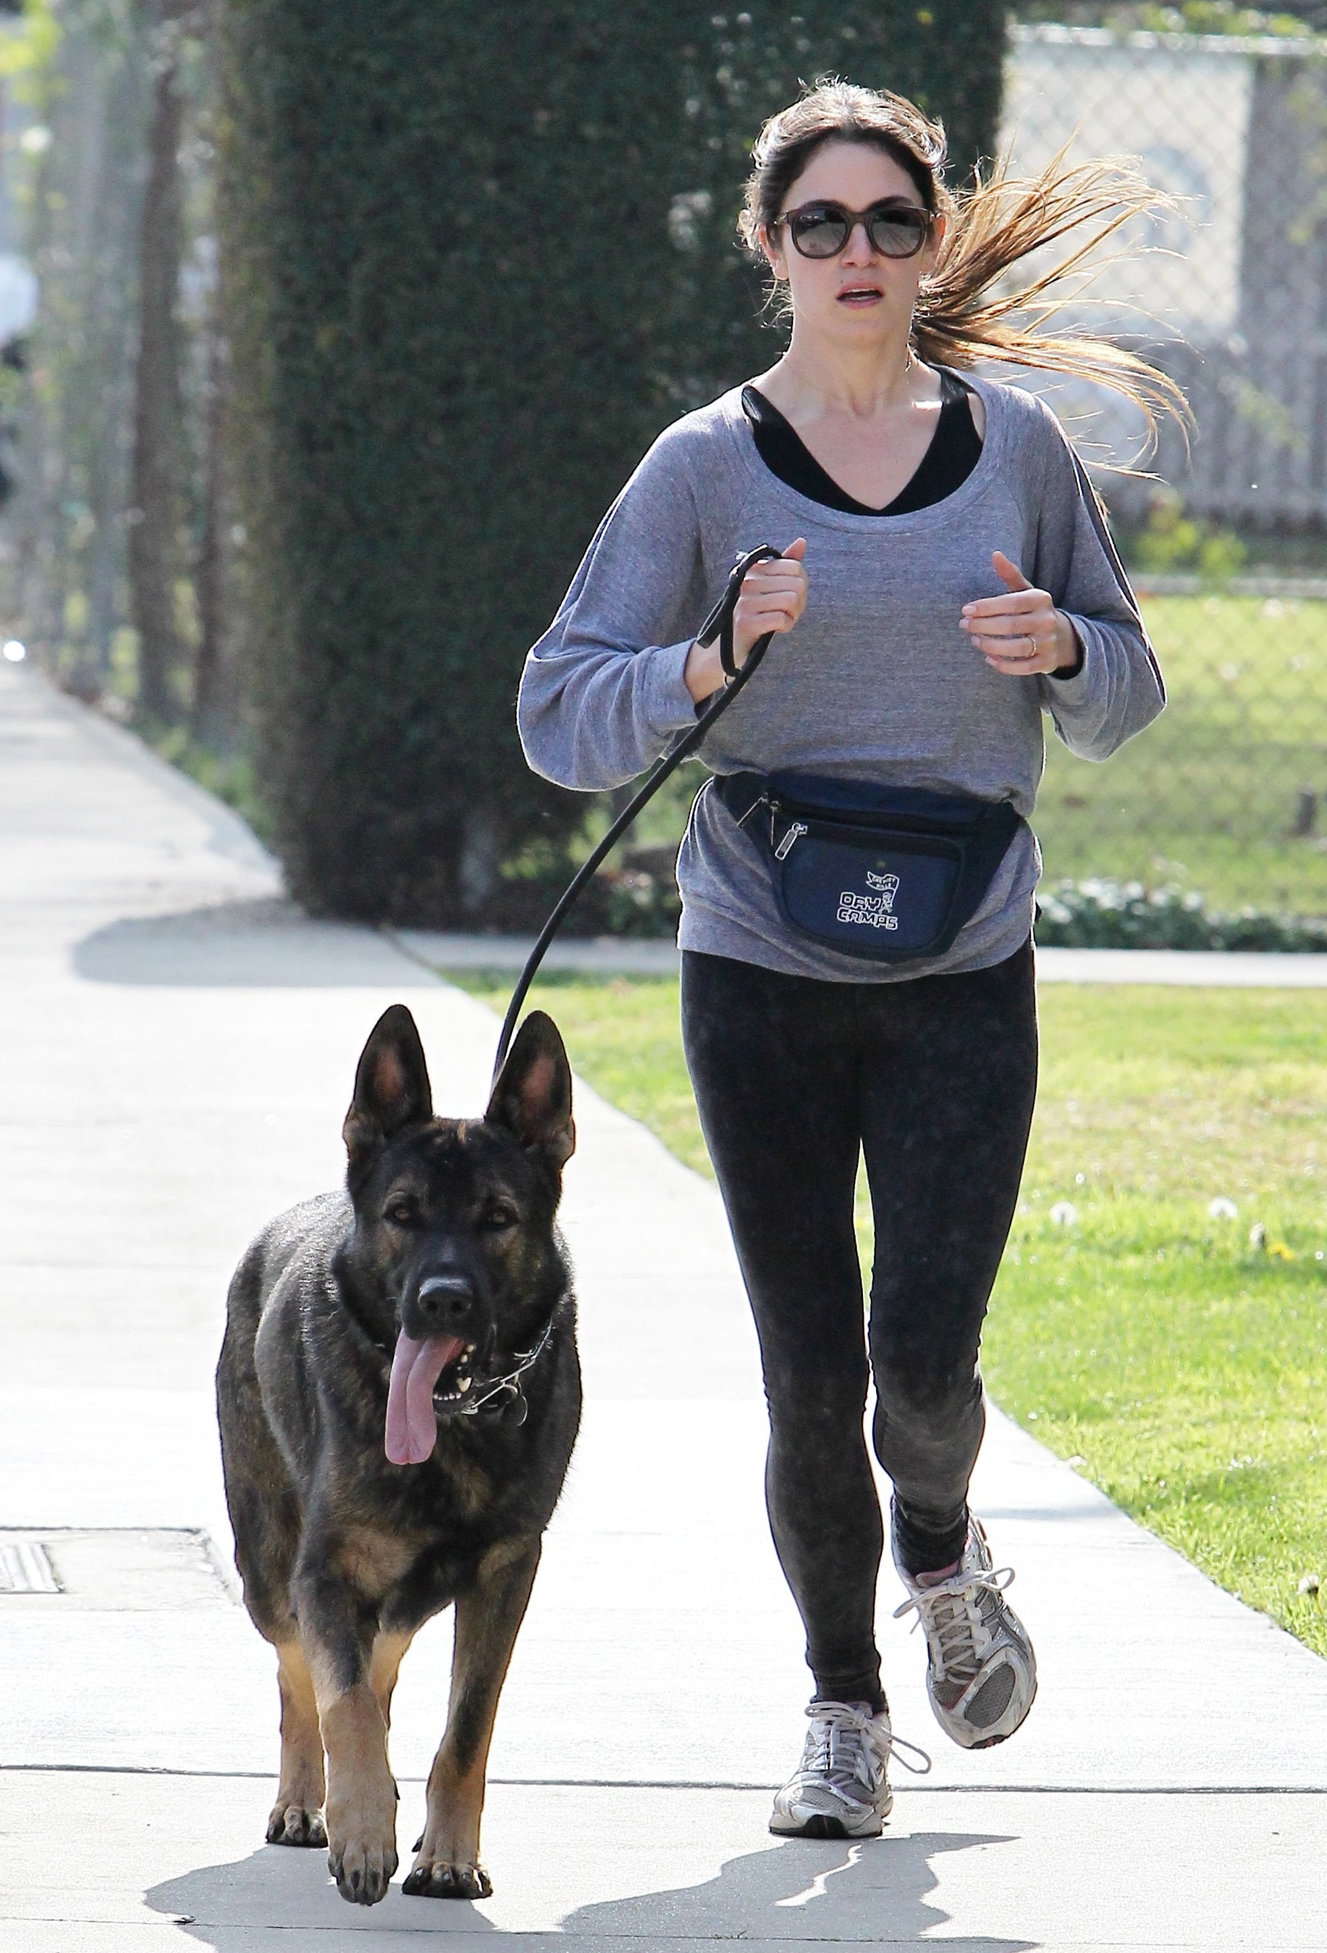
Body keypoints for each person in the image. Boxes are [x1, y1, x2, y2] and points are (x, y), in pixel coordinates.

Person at [517, 80, 1180, 1841]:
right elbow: (555, 713)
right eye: (823, 224)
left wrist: (1061, 647)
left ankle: (945, 1542)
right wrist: (704, 662)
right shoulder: (703, 467)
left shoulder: (1020, 452)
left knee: (924, 1373)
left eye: (893, 221)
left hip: (966, 960)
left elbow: (1130, 691)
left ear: (932, 238)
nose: (861, 253)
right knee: (810, 1368)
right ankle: (841, 1707)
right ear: (772, 250)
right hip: (760, 961)